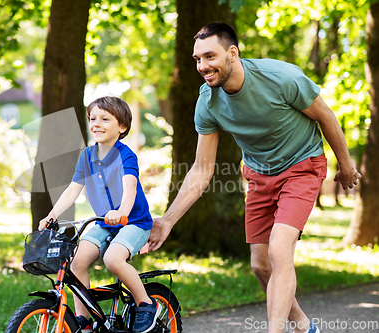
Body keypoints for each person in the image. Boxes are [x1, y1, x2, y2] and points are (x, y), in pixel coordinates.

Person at [147, 22, 361, 333]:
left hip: (303, 165)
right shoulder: (207, 102)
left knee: (279, 250)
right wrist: (167, 220)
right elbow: (202, 169)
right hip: (260, 175)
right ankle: (302, 326)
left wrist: (345, 165)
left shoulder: (280, 77)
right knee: (261, 265)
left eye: (210, 56)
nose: (203, 66)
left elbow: (326, 116)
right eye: (197, 59)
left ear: (232, 53)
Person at [39, 96, 161, 333]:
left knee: (113, 259)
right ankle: (83, 320)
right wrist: (51, 215)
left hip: (133, 221)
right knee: (76, 261)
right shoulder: (86, 155)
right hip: (105, 221)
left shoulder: (125, 155)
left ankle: (146, 304)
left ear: (122, 127)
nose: (96, 123)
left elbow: (130, 188)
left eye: (105, 119)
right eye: (93, 118)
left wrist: (122, 213)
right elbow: (73, 190)